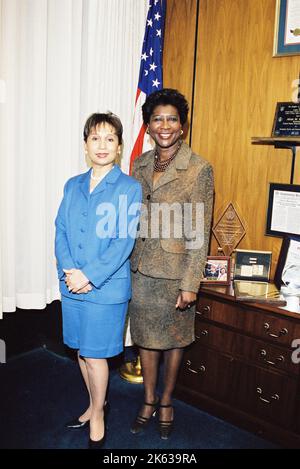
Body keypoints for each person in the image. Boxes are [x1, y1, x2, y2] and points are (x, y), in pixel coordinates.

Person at [129, 88, 214, 439]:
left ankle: (166, 401)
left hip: (176, 274)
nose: (164, 125)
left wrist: (190, 283)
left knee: (175, 341)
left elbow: (200, 230)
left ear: (182, 125)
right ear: (148, 125)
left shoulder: (198, 168)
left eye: (172, 119)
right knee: (146, 339)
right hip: (140, 269)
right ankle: (147, 399)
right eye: (157, 119)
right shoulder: (139, 164)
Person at [55, 112, 141, 449]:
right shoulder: (72, 184)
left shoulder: (129, 188)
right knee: (79, 350)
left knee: (95, 354)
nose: (102, 145)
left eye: (109, 139)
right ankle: (92, 405)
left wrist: (89, 275)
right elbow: (60, 229)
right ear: (86, 145)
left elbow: (124, 241)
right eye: (95, 138)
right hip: (72, 284)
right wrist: (69, 270)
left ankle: (100, 414)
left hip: (106, 287)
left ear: (119, 147)